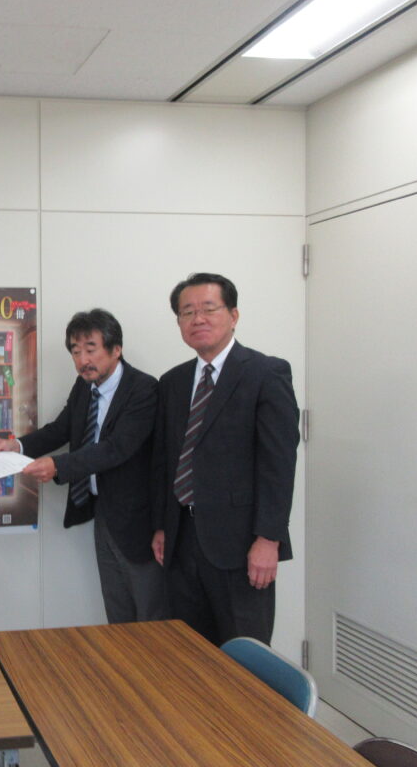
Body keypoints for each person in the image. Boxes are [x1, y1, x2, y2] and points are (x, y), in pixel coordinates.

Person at [0, 309, 167, 623]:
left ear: (115, 349)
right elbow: (61, 429)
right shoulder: (84, 385)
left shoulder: (143, 389)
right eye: (75, 351)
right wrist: (17, 446)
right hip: (103, 513)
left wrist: (58, 466)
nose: (82, 360)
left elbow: (117, 448)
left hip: (140, 521)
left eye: (90, 349)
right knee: (118, 611)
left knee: (151, 615)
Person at [151, 273, 298, 645]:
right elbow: (166, 461)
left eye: (208, 308)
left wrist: (269, 539)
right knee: (189, 652)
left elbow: (278, 465)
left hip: (241, 545)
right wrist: (162, 526)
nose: (197, 319)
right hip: (181, 541)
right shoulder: (173, 382)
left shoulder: (266, 373)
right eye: (187, 312)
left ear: (233, 315)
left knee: (243, 654)